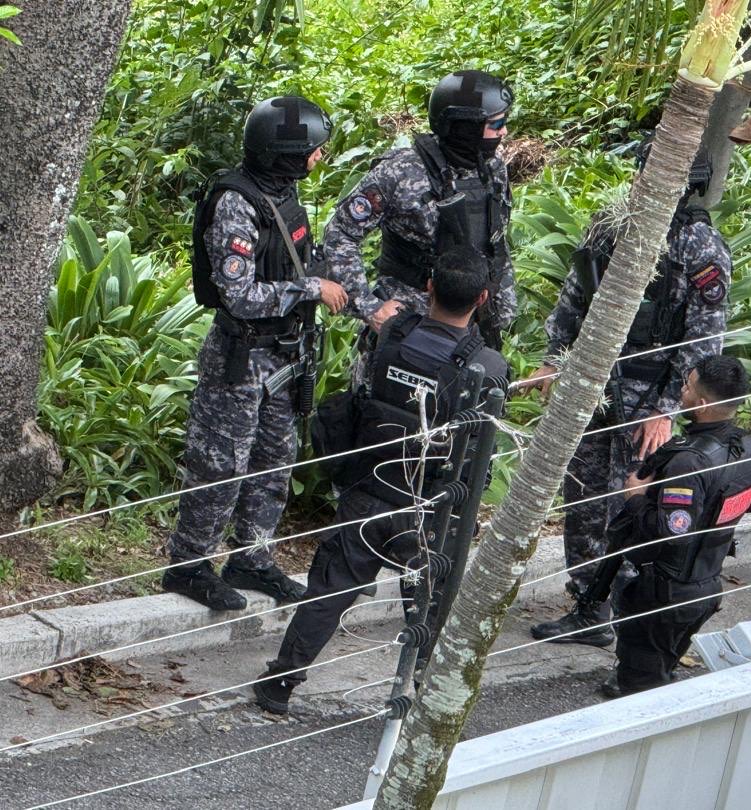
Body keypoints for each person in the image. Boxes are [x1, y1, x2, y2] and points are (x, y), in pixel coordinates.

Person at [253, 247, 508, 715]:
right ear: (484, 298)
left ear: (428, 286)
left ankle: (280, 685)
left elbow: (361, 391)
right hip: (432, 506)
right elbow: (481, 450)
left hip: (369, 491)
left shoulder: (392, 333)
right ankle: (429, 700)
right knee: (429, 605)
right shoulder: (487, 366)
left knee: (329, 590)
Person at [526, 147, 732, 646]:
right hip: (592, 386)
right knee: (582, 498)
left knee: (633, 508)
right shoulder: (610, 225)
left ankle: (633, 613)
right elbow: (574, 298)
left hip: (648, 399)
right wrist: (555, 358)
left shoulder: (698, 247)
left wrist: (664, 411)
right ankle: (587, 607)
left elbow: (704, 340)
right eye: (645, 171)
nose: (647, 181)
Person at [162, 96, 355, 611]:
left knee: (274, 461)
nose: (319, 157)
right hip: (241, 358)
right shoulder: (236, 203)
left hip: (284, 356)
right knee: (220, 465)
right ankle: (189, 565)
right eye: (313, 150)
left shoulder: (282, 191)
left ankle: (252, 557)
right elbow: (240, 295)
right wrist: (311, 289)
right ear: (285, 154)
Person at [559, 356, 751, 697]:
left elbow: (670, 532)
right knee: (661, 664)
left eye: (687, 386)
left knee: (639, 690)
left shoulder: (689, 460)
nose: (682, 391)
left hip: (664, 594)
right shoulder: (747, 446)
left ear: (701, 404)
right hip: (705, 585)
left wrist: (635, 496)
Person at [322, 70, 516, 359]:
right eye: (496, 124)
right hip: (408, 326)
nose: (504, 132)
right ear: (465, 127)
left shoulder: (491, 168)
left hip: (472, 323)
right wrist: (368, 307)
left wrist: (502, 306)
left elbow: (493, 241)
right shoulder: (400, 172)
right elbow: (340, 234)